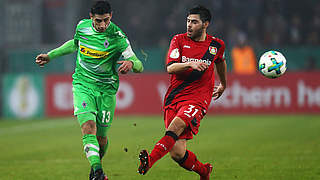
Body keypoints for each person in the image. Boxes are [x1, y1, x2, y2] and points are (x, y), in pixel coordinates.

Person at [35, 1, 143, 180]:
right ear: (91, 17)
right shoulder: (82, 26)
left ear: (111, 17)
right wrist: (50, 55)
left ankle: (95, 167)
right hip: (83, 85)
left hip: (106, 90)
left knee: (101, 139)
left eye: (106, 20)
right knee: (88, 127)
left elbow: (139, 65)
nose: (102, 25)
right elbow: (74, 44)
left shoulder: (118, 37)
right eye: (98, 21)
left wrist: (131, 63)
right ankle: (98, 172)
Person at [138, 5, 227, 180]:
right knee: (177, 153)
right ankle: (204, 171)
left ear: (205, 24)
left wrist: (223, 83)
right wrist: (190, 64)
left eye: (194, 22)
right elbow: (170, 68)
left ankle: (150, 160)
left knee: (176, 126)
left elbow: (220, 62)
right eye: (188, 21)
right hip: (175, 97)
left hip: (198, 99)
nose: (189, 25)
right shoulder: (178, 40)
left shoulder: (216, 45)